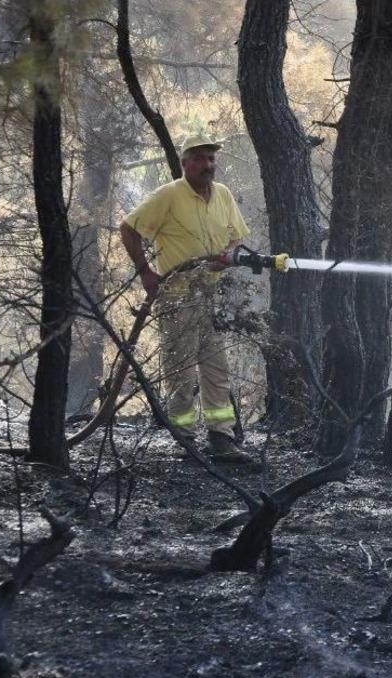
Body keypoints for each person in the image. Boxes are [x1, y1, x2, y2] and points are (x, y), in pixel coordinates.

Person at [119, 135, 254, 463]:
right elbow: (128, 228)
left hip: (209, 297)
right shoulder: (169, 195)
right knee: (181, 371)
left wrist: (229, 255)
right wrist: (146, 272)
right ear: (185, 163)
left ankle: (221, 438)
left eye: (211, 159)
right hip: (177, 297)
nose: (208, 165)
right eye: (200, 159)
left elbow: (236, 237)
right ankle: (185, 439)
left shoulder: (221, 195)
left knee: (216, 368)